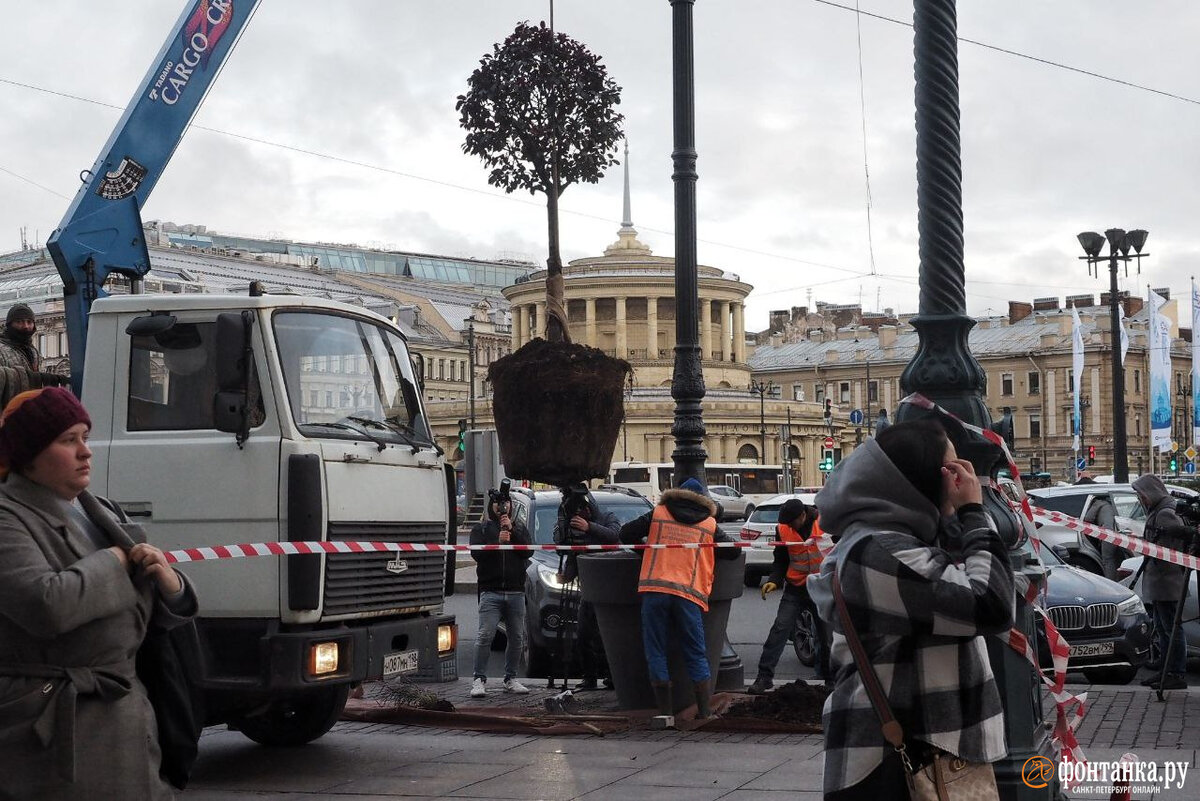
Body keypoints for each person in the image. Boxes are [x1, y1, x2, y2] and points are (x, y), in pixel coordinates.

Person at [0, 387, 198, 800]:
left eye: (85, 438)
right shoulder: (9, 518)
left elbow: (143, 612)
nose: (85, 452)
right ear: (30, 455)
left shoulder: (100, 511)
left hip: (127, 715)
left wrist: (171, 584)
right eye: (67, 440)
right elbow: (45, 604)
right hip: (54, 726)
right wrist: (114, 561)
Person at [807, 419, 1016, 798]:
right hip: (894, 763)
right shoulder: (878, 551)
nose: (961, 479)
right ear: (919, 478)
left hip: (926, 752)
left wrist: (952, 516)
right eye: (951, 469)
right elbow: (991, 604)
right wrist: (973, 511)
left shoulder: (902, 539)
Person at [619, 477, 740, 720]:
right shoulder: (708, 523)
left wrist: (646, 550)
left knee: (655, 648)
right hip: (688, 592)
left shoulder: (659, 513)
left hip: (655, 588)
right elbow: (733, 551)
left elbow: (625, 533)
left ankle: (664, 713)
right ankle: (704, 712)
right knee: (695, 650)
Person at [747, 498, 828, 694]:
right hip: (796, 587)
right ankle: (764, 677)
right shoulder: (782, 528)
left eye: (793, 522)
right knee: (779, 629)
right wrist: (774, 579)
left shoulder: (825, 523)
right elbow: (781, 559)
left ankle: (830, 678)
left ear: (803, 515)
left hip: (821, 586)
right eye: (787, 524)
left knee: (827, 635)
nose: (790, 526)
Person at [552, 483, 620, 690]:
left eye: (582, 511)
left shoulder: (607, 518)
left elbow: (614, 536)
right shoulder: (573, 525)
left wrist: (589, 527)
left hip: (608, 590)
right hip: (587, 590)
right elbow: (574, 553)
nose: (580, 515)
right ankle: (589, 678)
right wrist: (566, 576)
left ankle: (612, 677)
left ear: (589, 508)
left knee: (607, 637)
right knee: (583, 635)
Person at [468, 483, 532, 698]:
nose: (502, 507)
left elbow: (528, 551)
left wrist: (512, 534)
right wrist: (497, 542)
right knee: (485, 635)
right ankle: (478, 679)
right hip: (491, 590)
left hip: (515, 591)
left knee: (517, 637)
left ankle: (510, 678)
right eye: (498, 503)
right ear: (491, 506)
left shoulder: (519, 528)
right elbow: (476, 555)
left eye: (505, 503)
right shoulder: (482, 529)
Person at [1132, 474, 1192, 690]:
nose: (1141, 499)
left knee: (1171, 628)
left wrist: (1148, 546)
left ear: (1151, 492)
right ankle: (1165, 669)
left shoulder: (1165, 512)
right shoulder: (1160, 509)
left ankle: (1175, 672)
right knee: (1163, 626)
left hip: (1168, 580)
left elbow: (1171, 547)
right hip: (1162, 580)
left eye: (1141, 494)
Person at [0, 304, 63, 407]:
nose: (25, 326)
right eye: (19, 322)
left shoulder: (33, 352)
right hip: (8, 411)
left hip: (31, 409)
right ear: (10, 324)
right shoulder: (2, 350)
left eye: (29, 322)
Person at [1075, 472, 1124, 580]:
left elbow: (1088, 518)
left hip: (1108, 534)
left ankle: (1111, 582)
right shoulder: (1109, 503)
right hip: (1118, 532)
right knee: (1116, 560)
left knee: (1108, 560)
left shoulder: (1097, 502)